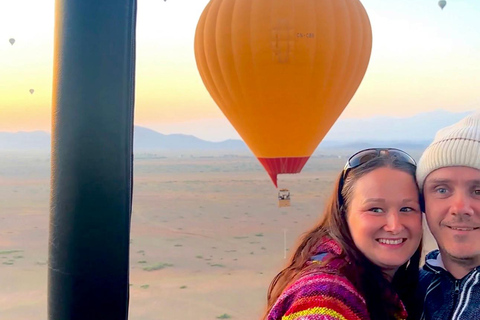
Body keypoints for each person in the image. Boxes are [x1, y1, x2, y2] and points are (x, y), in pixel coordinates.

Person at [263, 148, 423, 320]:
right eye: (375, 209)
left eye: (407, 209)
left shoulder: (406, 287)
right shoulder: (326, 298)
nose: (395, 226)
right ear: (343, 215)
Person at [416, 111, 480, 320]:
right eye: (442, 190)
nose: (460, 208)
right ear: (423, 202)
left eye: (478, 191)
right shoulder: (405, 293)